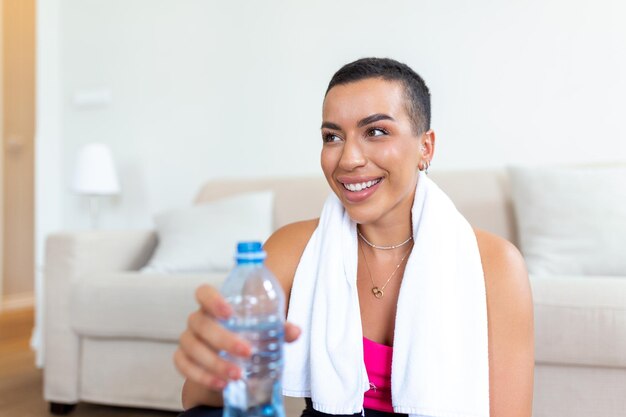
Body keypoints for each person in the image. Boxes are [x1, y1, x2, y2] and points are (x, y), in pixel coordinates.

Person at [174, 57, 534, 417]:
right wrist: (215, 362)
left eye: (376, 132)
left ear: (425, 147)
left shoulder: (495, 265)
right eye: (333, 137)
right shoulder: (292, 250)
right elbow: (197, 401)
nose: (348, 159)